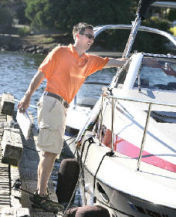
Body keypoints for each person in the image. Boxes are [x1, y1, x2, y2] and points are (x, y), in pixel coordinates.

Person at [18, 22, 125, 212]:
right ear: (77, 35)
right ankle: (41, 195)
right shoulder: (60, 52)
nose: (91, 40)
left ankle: (40, 193)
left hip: (62, 107)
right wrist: (27, 96)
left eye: (93, 37)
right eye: (88, 36)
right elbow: (40, 74)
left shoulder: (89, 61)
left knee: (50, 153)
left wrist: (131, 61)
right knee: (49, 153)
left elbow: (111, 62)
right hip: (52, 102)